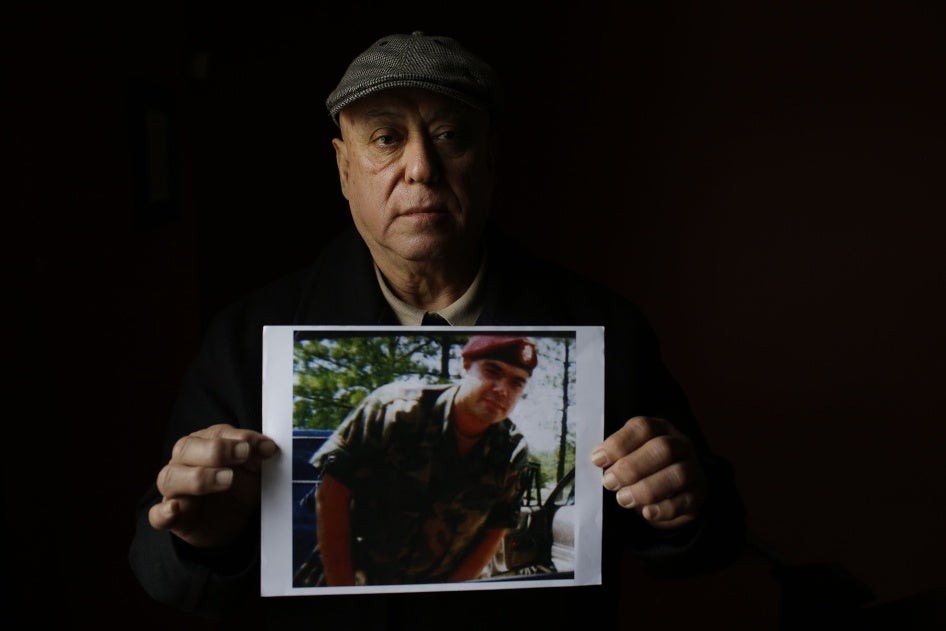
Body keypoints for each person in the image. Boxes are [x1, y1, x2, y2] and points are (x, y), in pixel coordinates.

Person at [130, 31, 747, 628]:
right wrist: (201, 538)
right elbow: (165, 571)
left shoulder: (606, 331)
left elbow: (714, 537)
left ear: (490, 158)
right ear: (344, 168)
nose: (421, 168)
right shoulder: (248, 339)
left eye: (450, 135)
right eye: (386, 138)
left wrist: (682, 503)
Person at [295, 335, 537, 587]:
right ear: (465, 365)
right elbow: (331, 495)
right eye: (492, 371)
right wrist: (344, 592)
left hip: (437, 586)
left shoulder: (511, 452)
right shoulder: (395, 411)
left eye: (516, 382)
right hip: (350, 577)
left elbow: (494, 531)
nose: (502, 389)